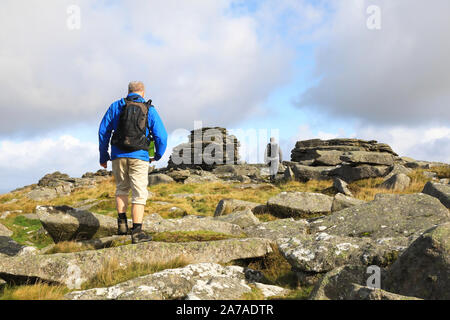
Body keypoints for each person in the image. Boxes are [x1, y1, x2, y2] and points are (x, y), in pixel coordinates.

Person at [98, 81, 167, 244]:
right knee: (139, 192)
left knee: (121, 188)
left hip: (118, 154)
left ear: (128, 91)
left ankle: (122, 226)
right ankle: (137, 232)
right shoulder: (149, 109)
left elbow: (103, 131)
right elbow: (161, 136)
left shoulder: (116, 106)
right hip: (140, 156)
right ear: (142, 92)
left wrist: (103, 156)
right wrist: (157, 155)